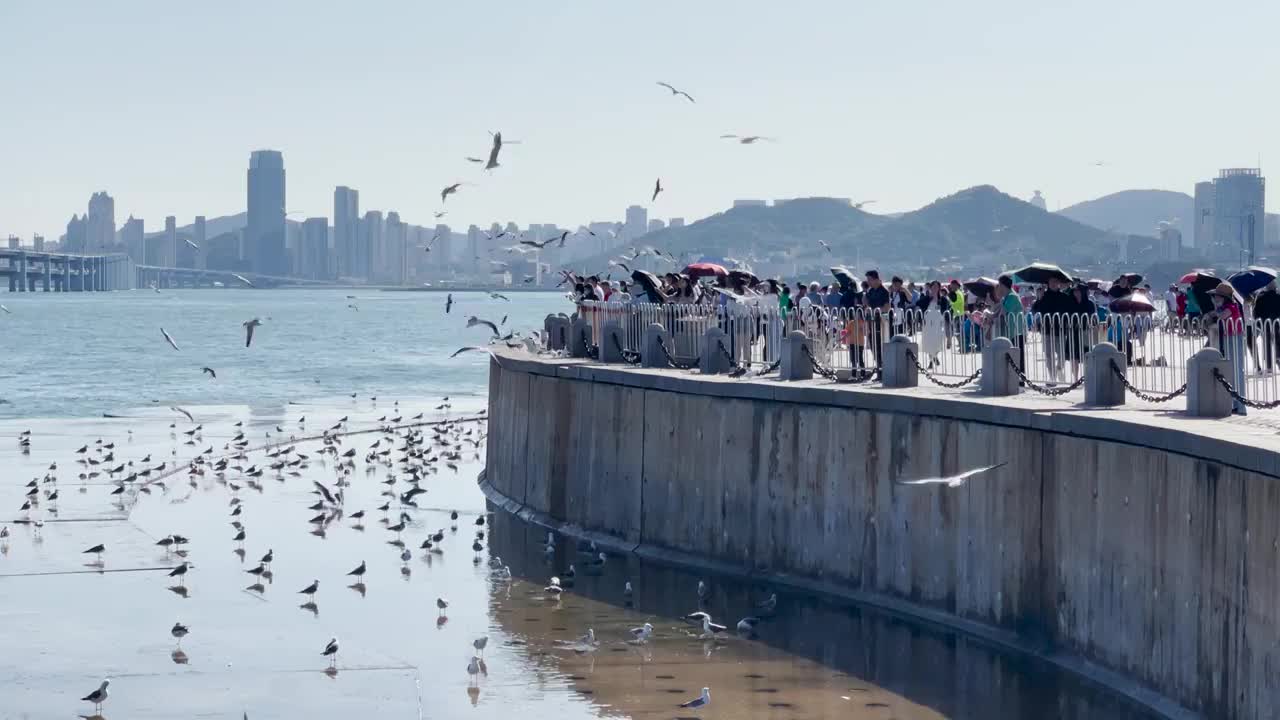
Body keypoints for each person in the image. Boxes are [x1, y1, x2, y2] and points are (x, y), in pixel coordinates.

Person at [1204, 283, 1247, 415]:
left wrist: (1213, 313)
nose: (1216, 298)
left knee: (1236, 371)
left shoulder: (1231, 306)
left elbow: (1222, 316)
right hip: (1227, 339)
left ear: (1225, 297)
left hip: (1235, 339)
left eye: (1218, 296)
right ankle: (1233, 403)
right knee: (1230, 371)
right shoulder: (1223, 307)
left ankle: (1240, 405)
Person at [1031, 276, 1075, 382]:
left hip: (1061, 330)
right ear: (1048, 283)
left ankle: (1059, 368)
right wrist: (1039, 298)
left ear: (1059, 283)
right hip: (1046, 330)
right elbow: (1034, 310)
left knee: (1062, 354)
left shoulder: (1064, 297)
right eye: (1051, 282)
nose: (1053, 284)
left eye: (1056, 281)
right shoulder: (1043, 296)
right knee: (1048, 355)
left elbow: (1070, 311)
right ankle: (1052, 376)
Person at [994, 275, 1027, 374]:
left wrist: (999, 298)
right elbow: (997, 313)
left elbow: (1003, 312)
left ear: (1003, 285)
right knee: (1012, 357)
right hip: (1011, 332)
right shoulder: (1007, 297)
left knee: (1018, 358)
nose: (998, 287)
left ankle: (1020, 381)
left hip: (1017, 332)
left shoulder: (1012, 297)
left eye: (999, 285)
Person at [864, 270, 890, 368]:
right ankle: (878, 366)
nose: (868, 282)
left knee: (880, 346)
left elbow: (887, 307)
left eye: (870, 279)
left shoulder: (884, 291)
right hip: (871, 322)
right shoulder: (870, 291)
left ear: (876, 279)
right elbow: (867, 305)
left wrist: (876, 311)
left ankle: (883, 368)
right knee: (873, 345)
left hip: (880, 322)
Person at [918, 281, 946, 368]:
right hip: (928, 323)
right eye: (933, 287)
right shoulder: (926, 298)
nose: (935, 288)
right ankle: (931, 360)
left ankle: (935, 355)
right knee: (929, 342)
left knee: (938, 341)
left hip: (938, 323)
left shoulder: (943, 299)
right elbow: (918, 303)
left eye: (936, 287)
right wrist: (928, 297)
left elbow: (945, 310)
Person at [1256, 281, 1280, 372]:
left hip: (1264, 324)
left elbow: (1255, 313)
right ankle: (1279, 360)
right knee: (1278, 343)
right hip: (1276, 323)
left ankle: (1269, 367)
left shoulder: (1260, 298)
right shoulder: (1278, 297)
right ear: (1275, 287)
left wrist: (1258, 325)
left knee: (1267, 345)